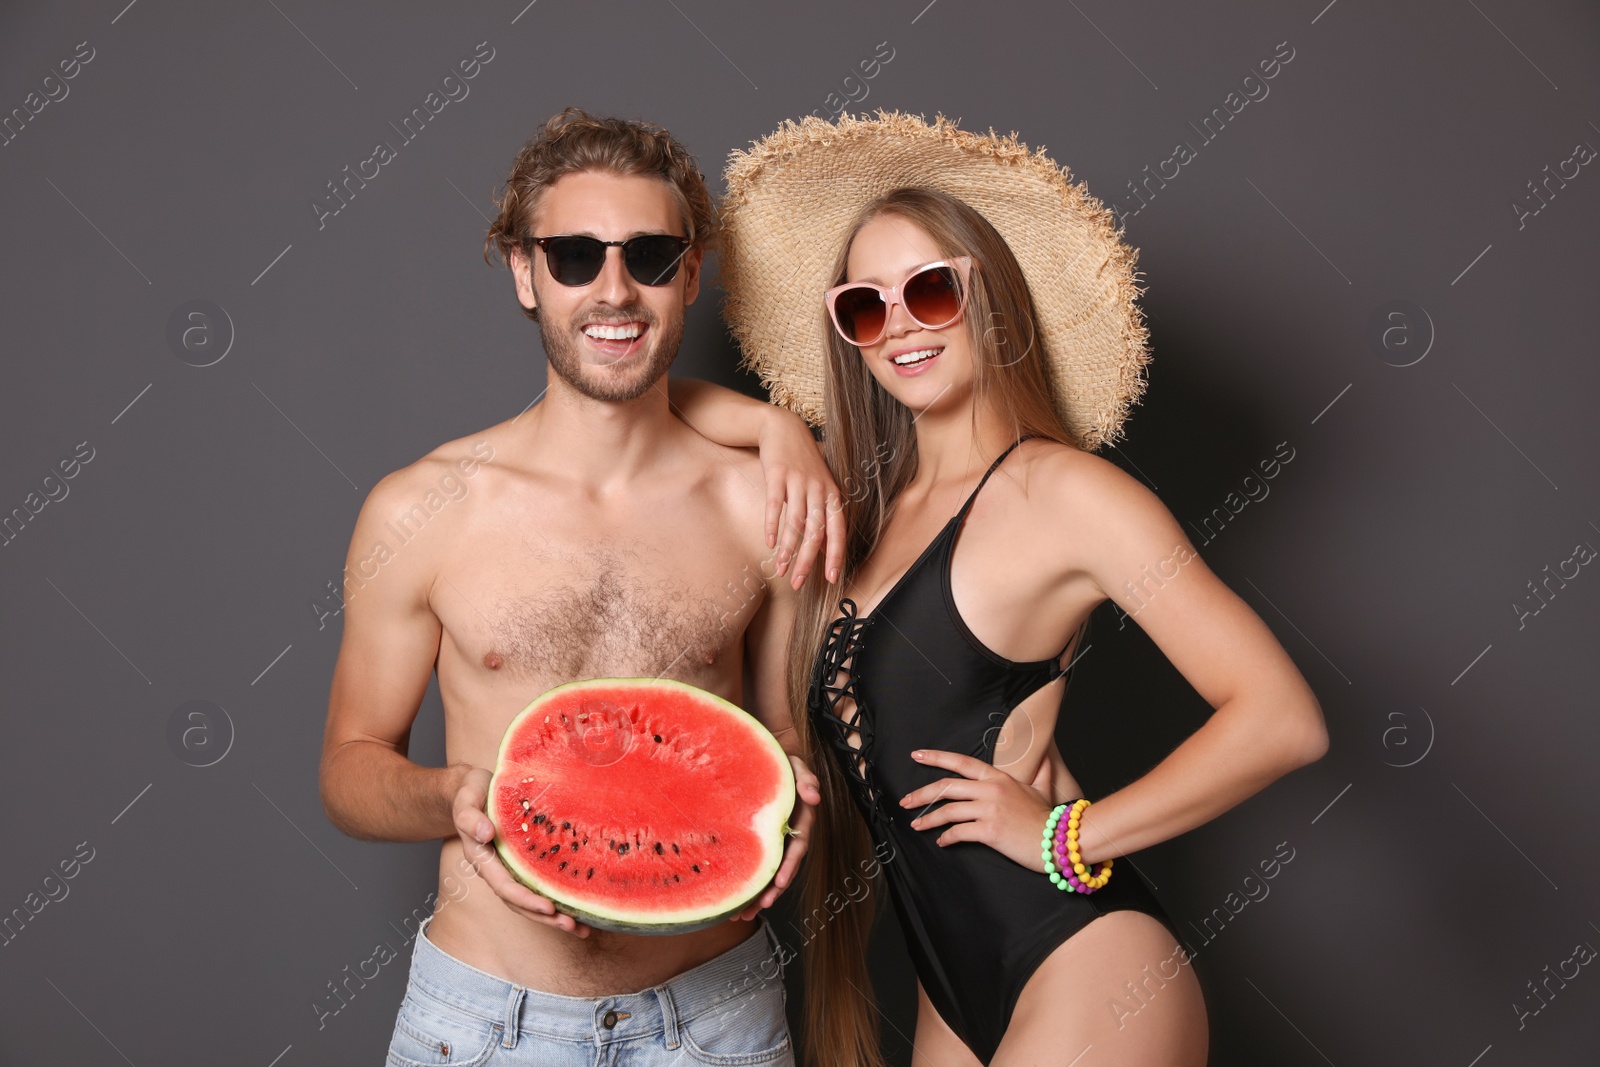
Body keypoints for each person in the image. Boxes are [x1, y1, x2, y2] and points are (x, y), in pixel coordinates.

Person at [675, 111, 1329, 1067]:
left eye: (928, 290)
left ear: (986, 295)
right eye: (865, 305)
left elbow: (1282, 719)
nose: (897, 324)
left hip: (1088, 960)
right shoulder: (859, 516)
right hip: (953, 990)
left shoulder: (1060, 492)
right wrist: (776, 430)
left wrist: (1073, 835)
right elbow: (645, 409)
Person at [317, 107, 839, 1067]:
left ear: (688, 275)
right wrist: (456, 799)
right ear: (524, 273)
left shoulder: (763, 504)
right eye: (573, 257)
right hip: (483, 1024)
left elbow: (782, 732)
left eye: (648, 255)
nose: (614, 291)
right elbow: (349, 770)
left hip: (716, 1017)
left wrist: (796, 792)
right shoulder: (420, 510)